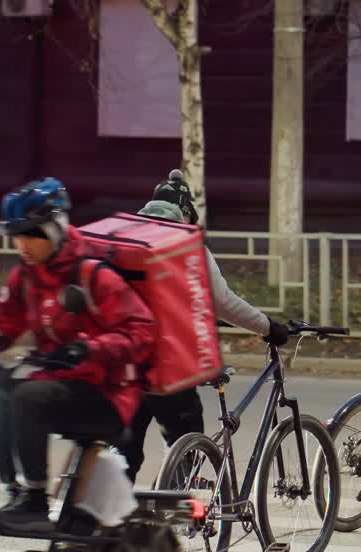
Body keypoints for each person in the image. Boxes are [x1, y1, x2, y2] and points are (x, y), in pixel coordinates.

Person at [0, 178, 156, 530]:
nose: (23, 244)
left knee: (28, 396)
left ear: (55, 228)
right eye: (16, 236)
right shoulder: (26, 277)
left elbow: (141, 332)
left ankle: (36, 501)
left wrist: (89, 348)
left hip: (108, 394)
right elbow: (0, 326)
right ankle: (15, 490)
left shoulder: (94, 276)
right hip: (58, 386)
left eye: (31, 234)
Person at [118, 171, 291, 482]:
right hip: (166, 365)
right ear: (186, 213)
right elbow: (222, 302)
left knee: (123, 450)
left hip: (121, 361)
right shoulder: (186, 246)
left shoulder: (123, 241)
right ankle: (175, 505)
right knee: (184, 442)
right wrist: (268, 327)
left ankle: (109, 517)